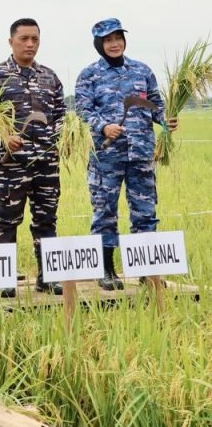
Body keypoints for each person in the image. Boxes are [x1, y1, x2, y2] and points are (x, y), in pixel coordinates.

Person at [74, 18, 178, 290]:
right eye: (108, 40)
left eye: (118, 38)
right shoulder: (89, 75)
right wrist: (103, 127)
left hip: (141, 153)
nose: (114, 44)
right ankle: (106, 270)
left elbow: (156, 105)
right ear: (99, 44)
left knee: (145, 211)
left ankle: (147, 271)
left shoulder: (142, 70)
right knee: (105, 211)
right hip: (106, 156)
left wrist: (167, 120)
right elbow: (83, 111)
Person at [0, 18, 65, 298]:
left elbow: (61, 115)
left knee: (46, 220)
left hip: (46, 163)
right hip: (11, 165)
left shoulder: (50, 77)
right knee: (6, 221)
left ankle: (49, 277)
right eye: (24, 39)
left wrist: (63, 137)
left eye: (35, 39)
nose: (29, 44)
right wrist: (3, 139)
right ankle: (5, 279)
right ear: (11, 41)